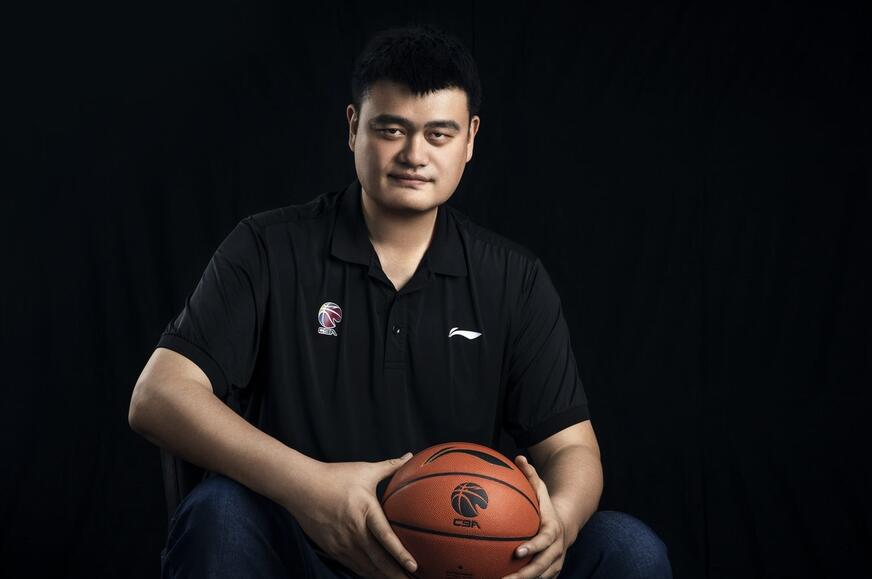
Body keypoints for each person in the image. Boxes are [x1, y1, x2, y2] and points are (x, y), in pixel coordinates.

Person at [128, 24, 673, 579]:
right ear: (353, 128)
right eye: (391, 129)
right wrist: (311, 488)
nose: (414, 155)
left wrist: (561, 522)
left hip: (461, 560)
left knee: (628, 548)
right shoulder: (268, 247)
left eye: (439, 134)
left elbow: (572, 449)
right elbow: (158, 394)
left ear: (470, 139)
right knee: (219, 513)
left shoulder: (514, 279)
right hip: (305, 550)